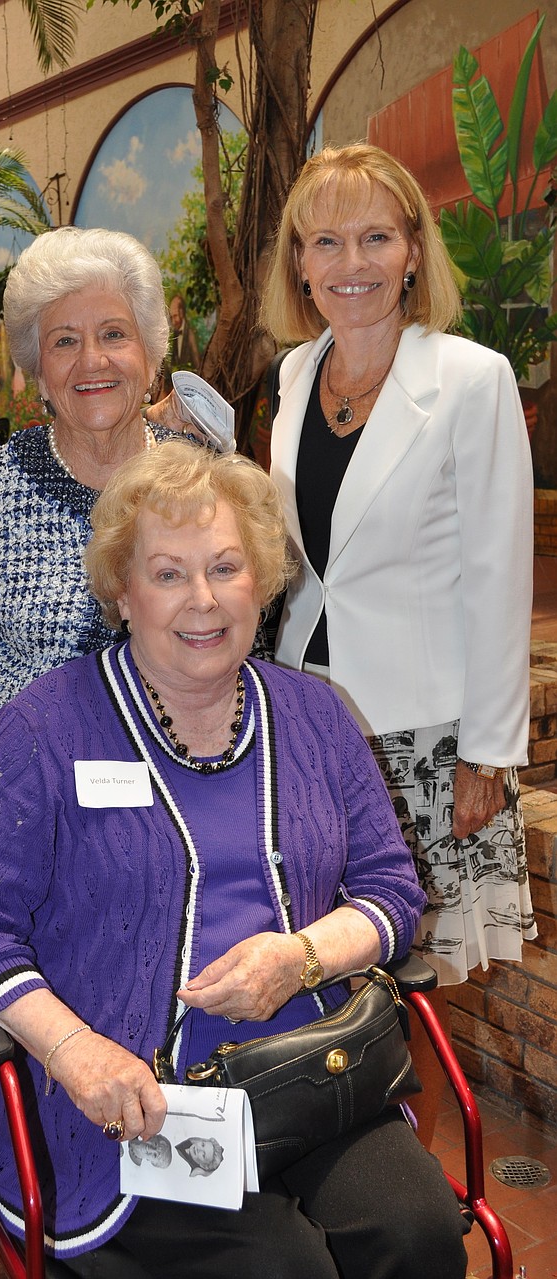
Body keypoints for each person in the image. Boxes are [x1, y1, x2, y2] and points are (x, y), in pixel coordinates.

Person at [0, 442, 468, 1279]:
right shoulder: (46, 730)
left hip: (308, 1067)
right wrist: (76, 1051)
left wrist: (303, 956)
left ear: (261, 580)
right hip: (134, 1100)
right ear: (121, 590)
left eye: (225, 566)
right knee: (281, 1269)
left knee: (419, 1232)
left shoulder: (315, 716)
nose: (203, 600)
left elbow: (392, 889)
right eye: (169, 573)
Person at [261, 142, 535, 1146]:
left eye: (375, 236)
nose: (351, 262)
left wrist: (487, 753)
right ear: (298, 262)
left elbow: (501, 573)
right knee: (321, 956)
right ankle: (333, 1151)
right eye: (325, 241)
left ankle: (401, 1170)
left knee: (405, 972)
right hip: (305, 719)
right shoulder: (294, 375)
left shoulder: (470, 378)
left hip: (423, 734)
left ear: (414, 249)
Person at [0, 225, 173, 728]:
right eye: (65, 341)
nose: (92, 360)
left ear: (150, 357)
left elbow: (243, 644)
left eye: (113, 334)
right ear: (38, 371)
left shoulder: (203, 484)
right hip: (25, 778)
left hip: (174, 775)